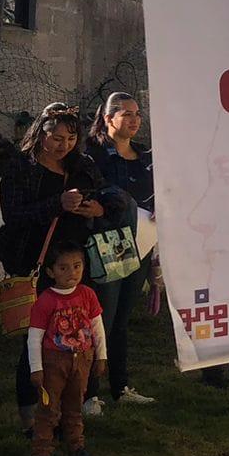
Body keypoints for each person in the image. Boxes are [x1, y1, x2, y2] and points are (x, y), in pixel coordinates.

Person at [0, 105, 124, 430]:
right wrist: (57, 204)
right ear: (40, 134)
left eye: (70, 138)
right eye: (55, 138)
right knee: (37, 341)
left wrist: (97, 207)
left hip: (78, 268)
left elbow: (110, 193)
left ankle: (70, 410)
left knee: (76, 338)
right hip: (36, 266)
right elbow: (13, 216)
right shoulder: (21, 168)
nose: (63, 145)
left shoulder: (82, 165)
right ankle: (31, 419)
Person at [87, 92, 157, 407]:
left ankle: (120, 387)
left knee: (122, 319)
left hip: (143, 243)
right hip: (110, 244)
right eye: (126, 113)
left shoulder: (146, 156)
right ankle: (89, 392)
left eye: (137, 113)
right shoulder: (95, 155)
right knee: (102, 318)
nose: (133, 119)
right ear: (107, 118)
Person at [28, 240, 107, 456]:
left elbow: (97, 327)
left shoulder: (88, 294)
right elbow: (34, 336)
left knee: (75, 405)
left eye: (77, 266)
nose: (72, 273)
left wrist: (101, 356)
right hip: (54, 361)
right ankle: (41, 454)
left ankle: (76, 446)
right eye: (63, 268)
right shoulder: (46, 300)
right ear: (51, 272)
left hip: (82, 358)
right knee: (48, 408)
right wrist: (36, 368)